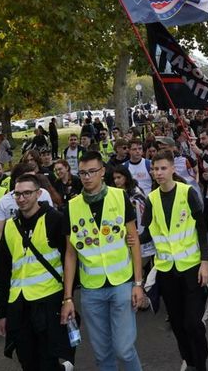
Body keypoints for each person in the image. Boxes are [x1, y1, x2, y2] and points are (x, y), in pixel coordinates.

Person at [60, 151, 145, 371]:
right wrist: (68, 297)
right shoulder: (72, 206)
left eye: (92, 172)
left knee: (124, 349)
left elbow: (134, 241)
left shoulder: (119, 197)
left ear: (102, 171)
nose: (87, 177)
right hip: (91, 289)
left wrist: (138, 283)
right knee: (102, 354)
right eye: (82, 173)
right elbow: (70, 254)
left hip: (121, 284)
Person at [0, 173, 73, 371]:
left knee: (47, 360)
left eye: (27, 193)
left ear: (38, 194)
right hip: (19, 305)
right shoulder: (10, 226)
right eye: (17, 194)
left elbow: (69, 260)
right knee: (27, 361)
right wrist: (3, 312)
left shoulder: (55, 219)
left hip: (48, 301)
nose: (21, 198)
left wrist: (68, 299)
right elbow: (4, 272)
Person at [147, 151, 208, 371]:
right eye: (155, 169)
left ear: (173, 169)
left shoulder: (187, 192)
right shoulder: (151, 199)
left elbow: (201, 228)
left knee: (193, 322)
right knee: (177, 323)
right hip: (166, 270)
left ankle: (201, 364)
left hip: (191, 267)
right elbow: (147, 232)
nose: (159, 173)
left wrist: (204, 261)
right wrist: (128, 237)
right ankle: (190, 361)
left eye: (163, 168)